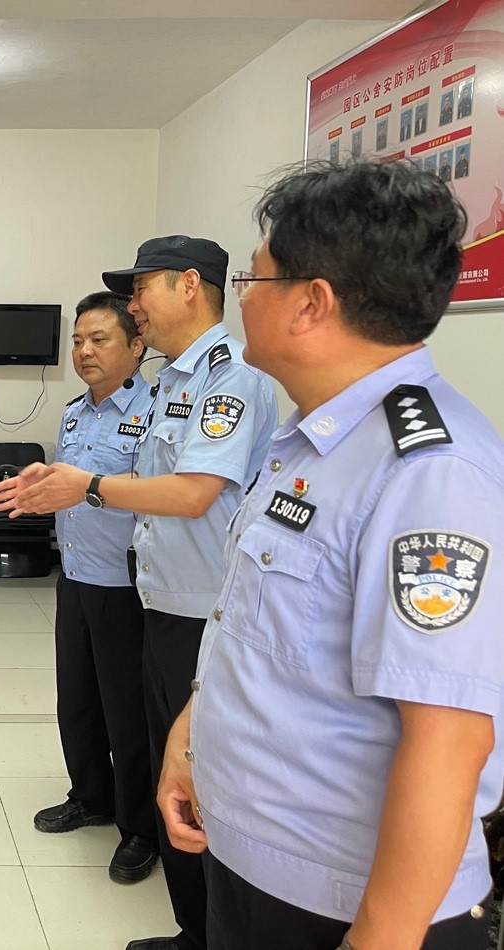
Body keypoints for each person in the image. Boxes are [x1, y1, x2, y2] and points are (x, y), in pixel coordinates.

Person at [158, 159, 504, 950]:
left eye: (253, 278)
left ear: (310, 302)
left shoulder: (429, 473)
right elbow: (262, 636)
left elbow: (448, 739)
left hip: (344, 905)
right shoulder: (311, 440)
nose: (240, 297)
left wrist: (378, 940)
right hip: (255, 863)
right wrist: (191, 738)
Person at [0, 235, 278, 950]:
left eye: (141, 288)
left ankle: (209, 929)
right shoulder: (179, 381)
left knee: (199, 773)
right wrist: (61, 486)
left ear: (189, 285)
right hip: (160, 597)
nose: (134, 304)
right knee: (162, 757)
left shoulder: (230, 378)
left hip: (202, 611)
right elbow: (150, 484)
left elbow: (193, 492)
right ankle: (191, 929)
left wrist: (86, 485)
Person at [33, 292, 159, 886]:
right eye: (78, 341)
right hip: (76, 576)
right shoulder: (73, 414)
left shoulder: (157, 412)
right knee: (77, 698)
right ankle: (90, 795)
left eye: (99, 339)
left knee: (126, 709)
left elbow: (158, 487)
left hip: (126, 583)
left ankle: (140, 827)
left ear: (137, 345)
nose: (84, 351)